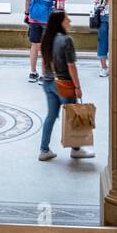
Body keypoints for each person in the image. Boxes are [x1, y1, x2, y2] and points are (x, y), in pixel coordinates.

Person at [38, 9, 94, 160]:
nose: (69, 21)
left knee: (50, 115)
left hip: (48, 82)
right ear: (59, 23)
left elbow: (44, 63)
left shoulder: (46, 38)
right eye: (67, 19)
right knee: (72, 116)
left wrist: (47, 77)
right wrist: (77, 87)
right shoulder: (66, 40)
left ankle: (44, 150)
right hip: (64, 84)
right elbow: (71, 66)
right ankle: (75, 149)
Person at [24, 0, 67, 82]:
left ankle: (32, 73)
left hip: (34, 17)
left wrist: (27, 14)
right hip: (48, 20)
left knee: (34, 45)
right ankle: (45, 75)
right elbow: (61, 5)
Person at [80, 0, 111, 76]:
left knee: (102, 40)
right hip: (114, 14)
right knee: (114, 40)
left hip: (101, 13)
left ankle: (103, 68)